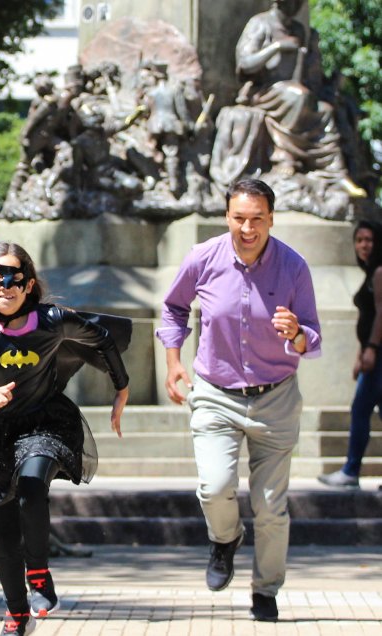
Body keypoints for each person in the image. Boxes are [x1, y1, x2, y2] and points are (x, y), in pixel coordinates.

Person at [0, 243, 129, 635]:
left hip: (46, 423)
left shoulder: (53, 320)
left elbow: (104, 339)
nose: (5, 287)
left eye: (15, 279)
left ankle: (39, 573)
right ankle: (17, 611)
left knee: (32, 484)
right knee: (3, 533)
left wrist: (121, 389)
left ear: (29, 285)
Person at [157, 178, 321, 622]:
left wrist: (297, 334)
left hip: (276, 397)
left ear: (271, 219)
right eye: (239, 218)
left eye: (257, 219)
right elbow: (174, 308)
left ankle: (266, 590)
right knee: (214, 487)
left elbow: (312, 335)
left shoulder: (293, 266)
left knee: (270, 507)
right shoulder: (203, 257)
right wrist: (173, 362)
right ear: (227, 216)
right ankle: (225, 538)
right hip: (215, 392)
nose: (248, 229)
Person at [231, 0, 363, 195]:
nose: (298, 6)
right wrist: (276, 47)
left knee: (325, 110)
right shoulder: (261, 23)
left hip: (294, 91)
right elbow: (244, 64)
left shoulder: (299, 29)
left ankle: (336, 172)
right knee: (298, 96)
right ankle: (283, 155)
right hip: (264, 91)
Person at [319, 221, 381, 489]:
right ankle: (351, 470)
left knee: (360, 409)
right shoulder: (370, 273)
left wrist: (372, 349)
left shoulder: (379, 272)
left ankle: (351, 470)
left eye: (369, 239)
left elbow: (381, 314)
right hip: (373, 352)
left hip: (379, 355)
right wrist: (361, 352)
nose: (364, 245)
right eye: (359, 240)